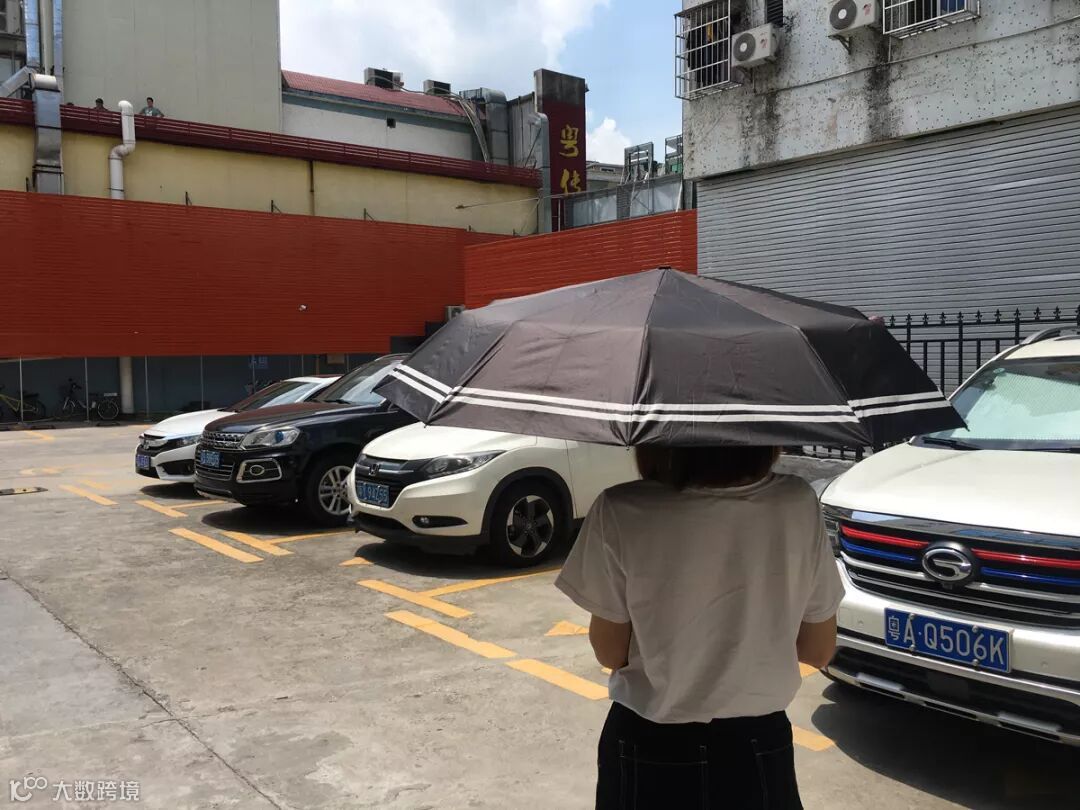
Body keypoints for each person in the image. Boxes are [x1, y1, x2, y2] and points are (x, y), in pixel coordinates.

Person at [556, 445, 844, 809]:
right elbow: (818, 649)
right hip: (757, 746)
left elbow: (610, 652)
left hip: (647, 743)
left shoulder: (621, 509)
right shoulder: (796, 503)